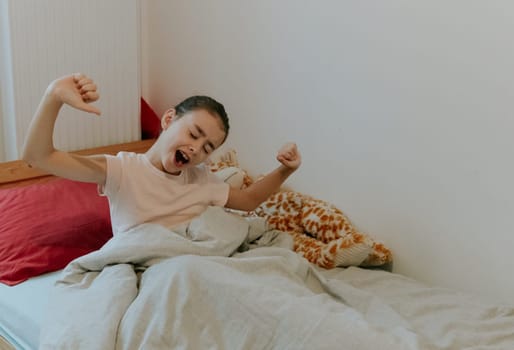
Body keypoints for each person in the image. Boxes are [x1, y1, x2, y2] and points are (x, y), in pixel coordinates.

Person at [22, 73, 301, 235]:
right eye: (193, 134)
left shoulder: (201, 180)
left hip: (197, 262)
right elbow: (39, 157)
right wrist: (53, 97)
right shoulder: (123, 170)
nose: (196, 148)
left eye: (207, 148)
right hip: (157, 271)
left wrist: (286, 169)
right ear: (168, 119)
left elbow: (250, 200)